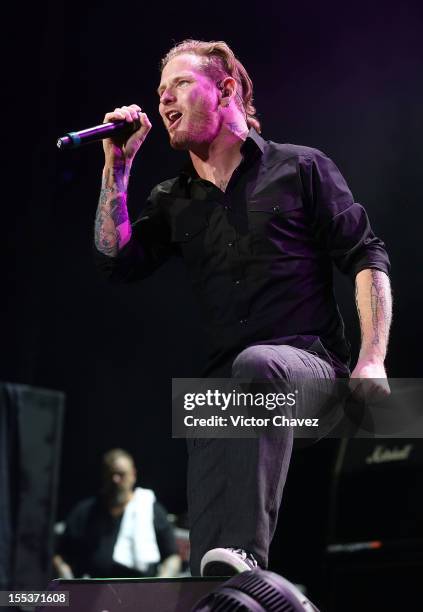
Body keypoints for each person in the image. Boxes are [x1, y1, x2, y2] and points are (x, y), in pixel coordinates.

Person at [93, 40, 392, 577]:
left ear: (226, 88)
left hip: (311, 371)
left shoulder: (300, 167)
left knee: (259, 363)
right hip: (227, 390)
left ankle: (249, 549)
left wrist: (373, 357)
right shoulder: (173, 198)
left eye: (180, 84)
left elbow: (366, 255)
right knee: (209, 575)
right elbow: (116, 263)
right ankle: (235, 579)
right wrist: (117, 166)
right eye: (160, 91)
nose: (164, 101)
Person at [53, 448, 181, 578]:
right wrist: (70, 585)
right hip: (92, 591)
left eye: (121, 474)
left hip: (142, 593)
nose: (115, 480)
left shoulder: (150, 510)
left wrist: (160, 588)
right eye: (111, 474)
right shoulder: (85, 512)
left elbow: (172, 557)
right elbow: (61, 556)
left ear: (133, 475)